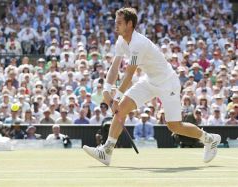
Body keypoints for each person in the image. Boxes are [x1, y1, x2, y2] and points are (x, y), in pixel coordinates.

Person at [83, 8, 221, 166]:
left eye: (119, 22)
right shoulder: (121, 40)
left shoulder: (138, 43)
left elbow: (129, 74)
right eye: (116, 21)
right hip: (149, 80)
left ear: (129, 24)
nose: (116, 25)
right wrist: (107, 89)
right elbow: (115, 67)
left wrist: (116, 97)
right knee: (121, 109)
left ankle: (210, 139)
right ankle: (106, 151)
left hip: (167, 82)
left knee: (174, 126)